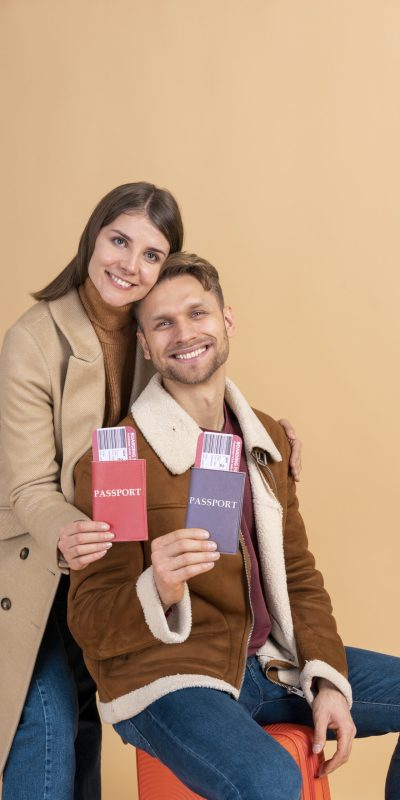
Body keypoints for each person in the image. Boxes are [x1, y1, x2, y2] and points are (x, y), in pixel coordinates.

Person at [0, 189, 300, 800]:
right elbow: (28, 485)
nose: (130, 265)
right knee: (48, 727)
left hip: (115, 555)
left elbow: (194, 368)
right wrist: (68, 530)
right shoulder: (32, 340)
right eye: (119, 241)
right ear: (92, 237)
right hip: (39, 554)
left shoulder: (151, 325)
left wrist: (260, 429)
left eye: (151, 255)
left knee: (83, 721)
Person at [69, 253, 400, 800]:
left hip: (270, 664)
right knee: (269, 777)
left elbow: (297, 574)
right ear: (145, 345)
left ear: (227, 320)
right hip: (168, 676)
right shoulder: (119, 458)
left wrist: (326, 678)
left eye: (197, 313)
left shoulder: (266, 438)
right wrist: (158, 587)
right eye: (163, 323)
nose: (184, 333)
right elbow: (89, 619)